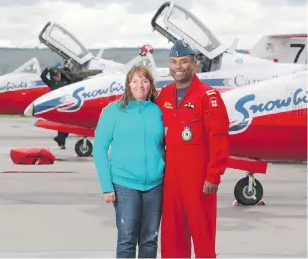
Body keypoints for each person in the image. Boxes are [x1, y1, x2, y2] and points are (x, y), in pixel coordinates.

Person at [155, 39, 230, 258]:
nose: (178, 67)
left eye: (184, 61)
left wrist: (213, 175)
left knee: (202, 236)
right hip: (170, 179)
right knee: (171, 236)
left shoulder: (209, 96)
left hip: (199, 179)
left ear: (194, 64)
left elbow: (219, 138)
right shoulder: (164, 96)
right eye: (174, 62)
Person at [92, 65, 165, 258]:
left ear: (151, 85)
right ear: (128, 85)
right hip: (124, 184)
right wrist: (107, 186)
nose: (140, 85)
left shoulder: (158, 112)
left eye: (145, 80)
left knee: (150, 240)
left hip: (155, 185)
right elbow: (99, 149)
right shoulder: (113, 111)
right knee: (127, 239)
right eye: (135, 81)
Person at [40, 65, 72, 149]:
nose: (58, 76)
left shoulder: (65, 81)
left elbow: (69, 76)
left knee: (68, 127)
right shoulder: (51, 83)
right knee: (61, 126)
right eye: (55, 75)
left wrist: (63, 69)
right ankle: (62, 143)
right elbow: (42, 76)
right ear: (52, 77)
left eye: (58, 74)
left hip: (68, 105)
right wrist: (47, 69)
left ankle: (59, 139)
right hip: (59, 106)